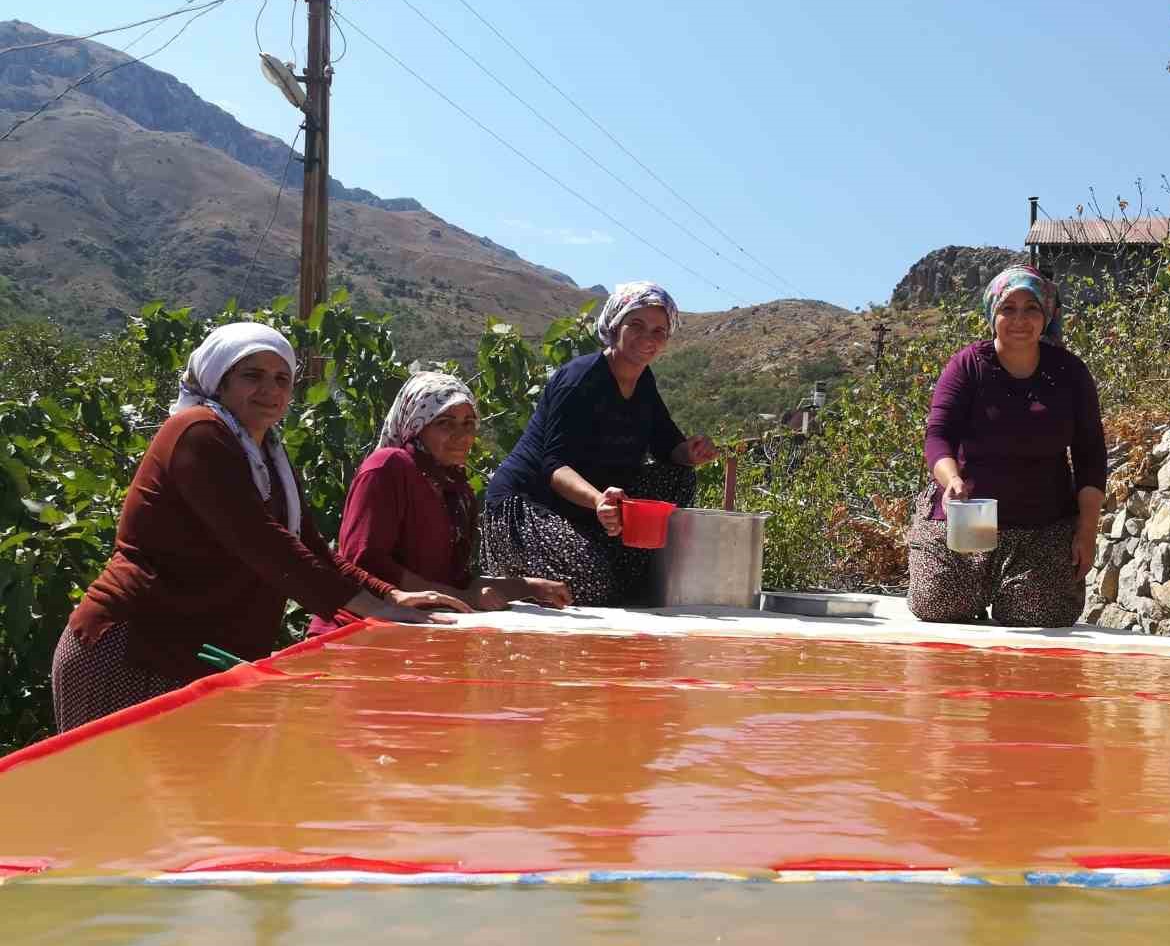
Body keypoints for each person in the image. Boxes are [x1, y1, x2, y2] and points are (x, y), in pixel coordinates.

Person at [52, 322, 467, 733]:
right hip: (135, 649)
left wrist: (390, 594)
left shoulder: (267, 453)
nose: (270, 390)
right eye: (252, 375)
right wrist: (375, 610)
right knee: (125, 794)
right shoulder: (198, 433)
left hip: (194, 650)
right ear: (220, 380)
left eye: (282, 379)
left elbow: (309, 547)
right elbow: (264, 545)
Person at [481, 281, 719, 605]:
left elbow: (668, 446)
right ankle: (519, 583)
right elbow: (555, 467)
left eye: (658, 331)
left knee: (679, 475)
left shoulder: (643, 383)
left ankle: (620, 567)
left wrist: (691, 452)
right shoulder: (580, 379)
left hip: (586, 512)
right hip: (527, 505)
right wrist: (597, 501)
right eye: (636, 325)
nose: (647, 338)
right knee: (592, 585)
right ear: (614, 325)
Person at [907, 265, 1107, 627]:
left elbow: (1090, 455)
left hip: (1043, 527)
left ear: (1047, 315)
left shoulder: (1070, 373)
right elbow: (938, 435)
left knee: (1039, 616)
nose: (1020, 319)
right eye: (1007, 309)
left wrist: (1087, 530)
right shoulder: (967, 366)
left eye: (1031, 308)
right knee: (936, 606)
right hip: (968, 519)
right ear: (991, 314)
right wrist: (950, 480)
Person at [308, 371, 572, 637]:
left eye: (468, 423)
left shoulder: (455, 488)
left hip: (414, 631)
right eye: (445, 423)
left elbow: (452, 578)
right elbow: (365, 561)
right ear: (416, 425)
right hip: (356, 633)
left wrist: (530, 587)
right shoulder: (388, 467)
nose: (462, 435)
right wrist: (460, 597)